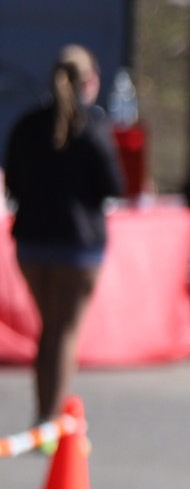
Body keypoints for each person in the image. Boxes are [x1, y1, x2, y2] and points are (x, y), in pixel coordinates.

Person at [3, 46, 124, 423]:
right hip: (77, 246)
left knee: (49, 330)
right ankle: (50, 418)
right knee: (64, 331)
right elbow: (113, 186)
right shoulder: (92, 128)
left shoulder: (27, 125)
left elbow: (13, 183)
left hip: (32, 243)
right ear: (90, 82)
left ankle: (43, 415)